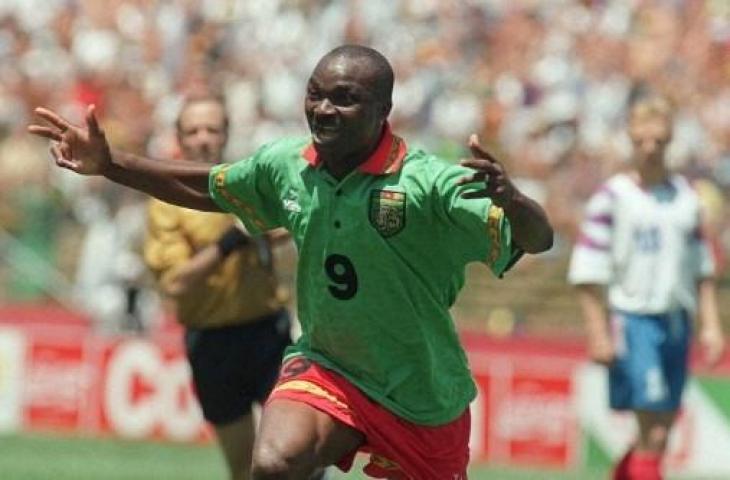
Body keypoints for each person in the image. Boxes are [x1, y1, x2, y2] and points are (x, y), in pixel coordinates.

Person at [28, 44, 553, 480]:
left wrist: (516, 201)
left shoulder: (429, 184)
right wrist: (109, 164)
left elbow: (537, 238)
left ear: (383, 110)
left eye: (345, 99)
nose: (324, 109)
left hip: (422, 395)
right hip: (331, 367)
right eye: (316, 94)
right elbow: (205, 186)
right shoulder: (286, 166)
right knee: (275, 462)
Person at [568, 96, 726, 480]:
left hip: (677, 323)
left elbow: (702, 269)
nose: (651, 150)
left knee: (659, 431)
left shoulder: (687, 199)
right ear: (632, 141)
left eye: (659, 142)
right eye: (643, 142)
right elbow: (588, 271)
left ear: (670, 141)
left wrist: (710, 325)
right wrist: (598, 331)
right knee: (653, 430)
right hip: (634, 322)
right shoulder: (612, 198)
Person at [142, 93, 293, 480]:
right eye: (193, 130)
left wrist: (263, 231)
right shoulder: (167, 202)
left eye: (213, 128)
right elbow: (175, 281)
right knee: (242, 465)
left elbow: (285, 225)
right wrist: (232, 241)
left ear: (227, 134)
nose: (204, 138)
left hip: (268, 333)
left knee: (292, 453)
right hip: (212, 342)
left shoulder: (247, 182)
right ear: (179, 137)